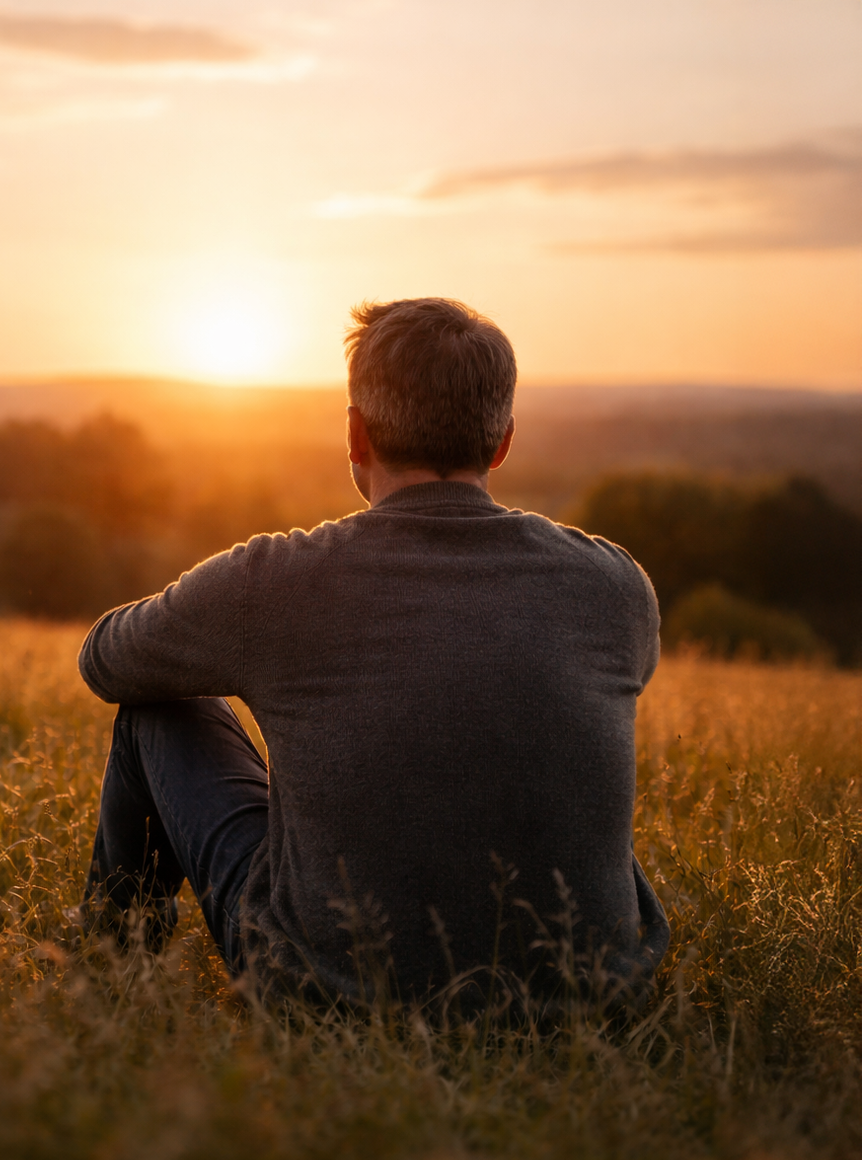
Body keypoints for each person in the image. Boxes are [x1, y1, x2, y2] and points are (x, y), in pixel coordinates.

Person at [76, 297, 669, 1013]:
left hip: (330, 988)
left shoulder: (279, 579)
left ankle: (109, 957)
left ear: (356, 434)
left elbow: (105, 661)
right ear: (504, 440)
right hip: (594, 998)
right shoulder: (616, 586)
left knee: (156, 710)